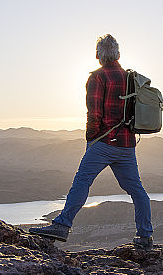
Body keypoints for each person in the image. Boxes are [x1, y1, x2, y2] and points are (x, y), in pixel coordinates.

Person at [29, 34, 154, 249]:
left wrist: (92, 139)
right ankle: (145, 236)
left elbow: (94, 113)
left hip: (104, 143)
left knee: (82, 181)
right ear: (118, 54)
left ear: (98, 55)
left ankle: (62, 225)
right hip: (126, 145)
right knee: (136, 190)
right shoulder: (131, 78)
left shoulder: (98, 77)